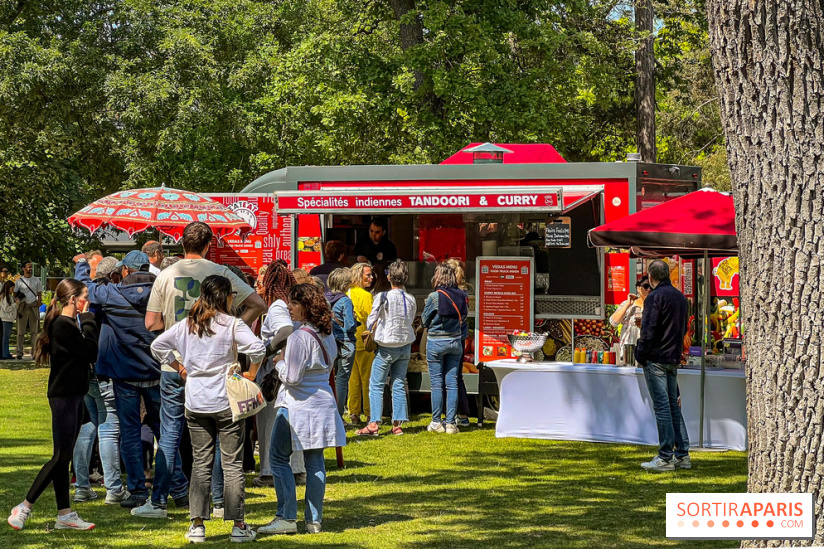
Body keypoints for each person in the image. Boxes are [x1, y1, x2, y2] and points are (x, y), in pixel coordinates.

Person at [135, 222, 266, 518]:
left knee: (169, 433)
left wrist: (180, 338)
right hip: (217, 367)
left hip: (177, 366)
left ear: (182, 244)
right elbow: (257, 303)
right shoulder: (220, 273)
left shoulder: (167, 275)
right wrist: (232, 327)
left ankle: (158, 502)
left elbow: (152, 324)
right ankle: (219, 502)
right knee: (222, 434)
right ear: (209, 245)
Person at [151, 275, 265, 543]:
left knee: (200, 463)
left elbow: (157, 345)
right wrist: (251, 372)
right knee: (232, 464)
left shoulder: (187, 325)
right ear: (226, 297)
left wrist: (179, 367)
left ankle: (197, 525)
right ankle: (238, 525)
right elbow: (258, 348)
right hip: (226, 401)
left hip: (196, 401)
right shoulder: (232, 324)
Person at [6, 279, 98, 531]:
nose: (87, 302)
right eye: (84, 297)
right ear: (73, 300)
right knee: (60, 457)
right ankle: (25, 506)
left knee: (64, 456)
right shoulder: (64, 325)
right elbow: (91, 352)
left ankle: (65, 514)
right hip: (64, 397)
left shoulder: (68, 324)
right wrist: (89, 320)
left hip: (74, 395)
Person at [74, 250, 162, 508]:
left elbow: (85, 288)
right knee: (164, 433)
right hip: (155, 370)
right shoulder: (161, 293)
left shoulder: (111, 294)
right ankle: (176, 488)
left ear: (124, 271)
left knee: (127, 433)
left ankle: (136, 491)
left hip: (123, 374)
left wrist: (81, 264)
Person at [257, 284, 346, 536]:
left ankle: (286, 516)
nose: (289, 307)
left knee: (277, 457)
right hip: (321, 403)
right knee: (314, 461)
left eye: (294, 303)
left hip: (296, 405)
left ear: (307, 306)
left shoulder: (299, 337)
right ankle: (313, 520)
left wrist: (280, 362)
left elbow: (293, 377)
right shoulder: (326, 333)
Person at [70, 254, 128, 505]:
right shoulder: (111, 296)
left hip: (85, 370)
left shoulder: (85, 297)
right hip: (104, 369)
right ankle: (114, 488)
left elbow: (82, 281)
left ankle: (82, 485)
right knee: (108, 429)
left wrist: (81, 264)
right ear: (115, 275)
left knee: (87, 426)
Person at [635, 260, 690, 472]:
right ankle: (682, 454)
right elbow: (683, 328)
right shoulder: (680, 298)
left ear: (650, 277)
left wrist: (641, 354)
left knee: (663, 408)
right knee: (672, 406)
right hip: (672, 357)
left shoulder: (654, 297)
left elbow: (648, 331)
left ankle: (666, 456)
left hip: (656, 357)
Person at [357, 260, 416, 436]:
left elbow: (371, 319)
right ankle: (397, 424)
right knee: (398, 384)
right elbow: (411, 319)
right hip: (404, 345)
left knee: (376, 384)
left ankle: (374, 423)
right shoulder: (411, 298)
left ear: (389, 276)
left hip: (386, 346)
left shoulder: (382, 297)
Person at [254, 262, 298, 488]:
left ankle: (269, 471)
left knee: (269, 421)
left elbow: (286, 331)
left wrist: (266, 350)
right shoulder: (291, 302)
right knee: (290, 422)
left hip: (274, 371)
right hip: (289, 369)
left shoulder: (277, 306)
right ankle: (297, 468)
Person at [422, 263, 467, 434]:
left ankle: (436, 422)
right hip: (455, 342)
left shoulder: (435, 296)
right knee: (452, 383)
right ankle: (450, 424)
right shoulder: (461, 295)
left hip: (436, 342)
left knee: (436, 384)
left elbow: (425, 320)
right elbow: (463, 317)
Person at [325, 268, 356, 419]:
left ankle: (328, 412)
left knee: (329, 378)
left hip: (330, 341)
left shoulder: (325, 299)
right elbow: (350, 325)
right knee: (342, 379)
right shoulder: (345, 301)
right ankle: (338, 415)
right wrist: (357, 321)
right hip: (345, 342)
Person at [346, 263, 374, 424]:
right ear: (358, 276)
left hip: (349, 341)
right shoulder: (366, 296)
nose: (371, 278)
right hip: (364, 341)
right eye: (368, 275)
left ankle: (354, 413)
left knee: (353, 380)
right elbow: (371, 320)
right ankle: (370, 413)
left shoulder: (346, 293)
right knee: (368, 380)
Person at [445, 258, 472, 427]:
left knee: (446, 377)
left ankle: (449, 415)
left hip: (448, 336)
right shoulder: (464, 293)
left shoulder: (447, 294)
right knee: (457, 377)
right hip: (461, 338)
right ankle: (463, 414)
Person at [609, 274, 651, 365]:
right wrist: (628, 304)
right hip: (627, 353)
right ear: (638, 288)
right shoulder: (629, 305)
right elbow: (613, 322)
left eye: (651, 287)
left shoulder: (655, 307)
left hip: (647, 355)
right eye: (646, 286)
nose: (649, 290)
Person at [14, 260, 42, 360]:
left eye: (31, 267)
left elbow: (39, 294)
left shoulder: (36, 280)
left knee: (34, 331)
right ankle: (19, 352)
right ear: (23, 269)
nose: (30, 269)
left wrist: (38, 305)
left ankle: (34, 352)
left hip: (33, 307)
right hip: (23, 307)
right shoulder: (19, 281)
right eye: (28, 267)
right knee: (20, 332)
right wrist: (18, 302)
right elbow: (15, 294)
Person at [0, 281, 16, 359]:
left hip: (9, 319)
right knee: (5, 337)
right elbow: (6, 308)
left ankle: (6, 352)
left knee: (7, 337)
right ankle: (4, 354)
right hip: (6, 319)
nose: (13, 290)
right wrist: (15, 305)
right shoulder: (5, 297)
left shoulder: (10, 297)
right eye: (12, 288)